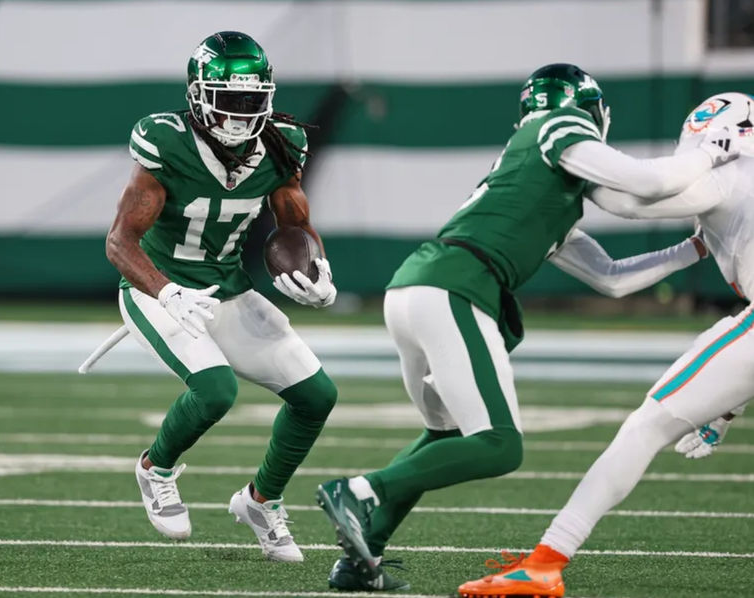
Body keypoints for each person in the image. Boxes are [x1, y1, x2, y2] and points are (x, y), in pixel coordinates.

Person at [313, 64, 739, 592]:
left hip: (419, 289)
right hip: (455, 286)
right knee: (499, 445)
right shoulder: (558, 126)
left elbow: (611, 279)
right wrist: (710, 151)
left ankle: (363, 556)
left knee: (445, 433)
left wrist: (692, 248)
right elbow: (648, 182)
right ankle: (361, 491)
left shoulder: (541, 183)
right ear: (591, 111)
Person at [457, 91, 753, 598]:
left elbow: (632, 200)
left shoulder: (726, 174)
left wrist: (550, 173)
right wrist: (726, 409)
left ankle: (547, 562)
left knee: (644, 427)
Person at [105, 31, 339, 563]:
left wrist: (319, 270)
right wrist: (165, 293)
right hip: (155, 286)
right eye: (228, 100)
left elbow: (297, 223)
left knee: (317, 396)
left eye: (251, 101)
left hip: (229, 288)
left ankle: (261, 501)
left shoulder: (280, 143)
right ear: (197, 96)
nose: (239, 114)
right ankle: (154, 468)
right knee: (214, 391)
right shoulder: (168, 141)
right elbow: (120, 241)